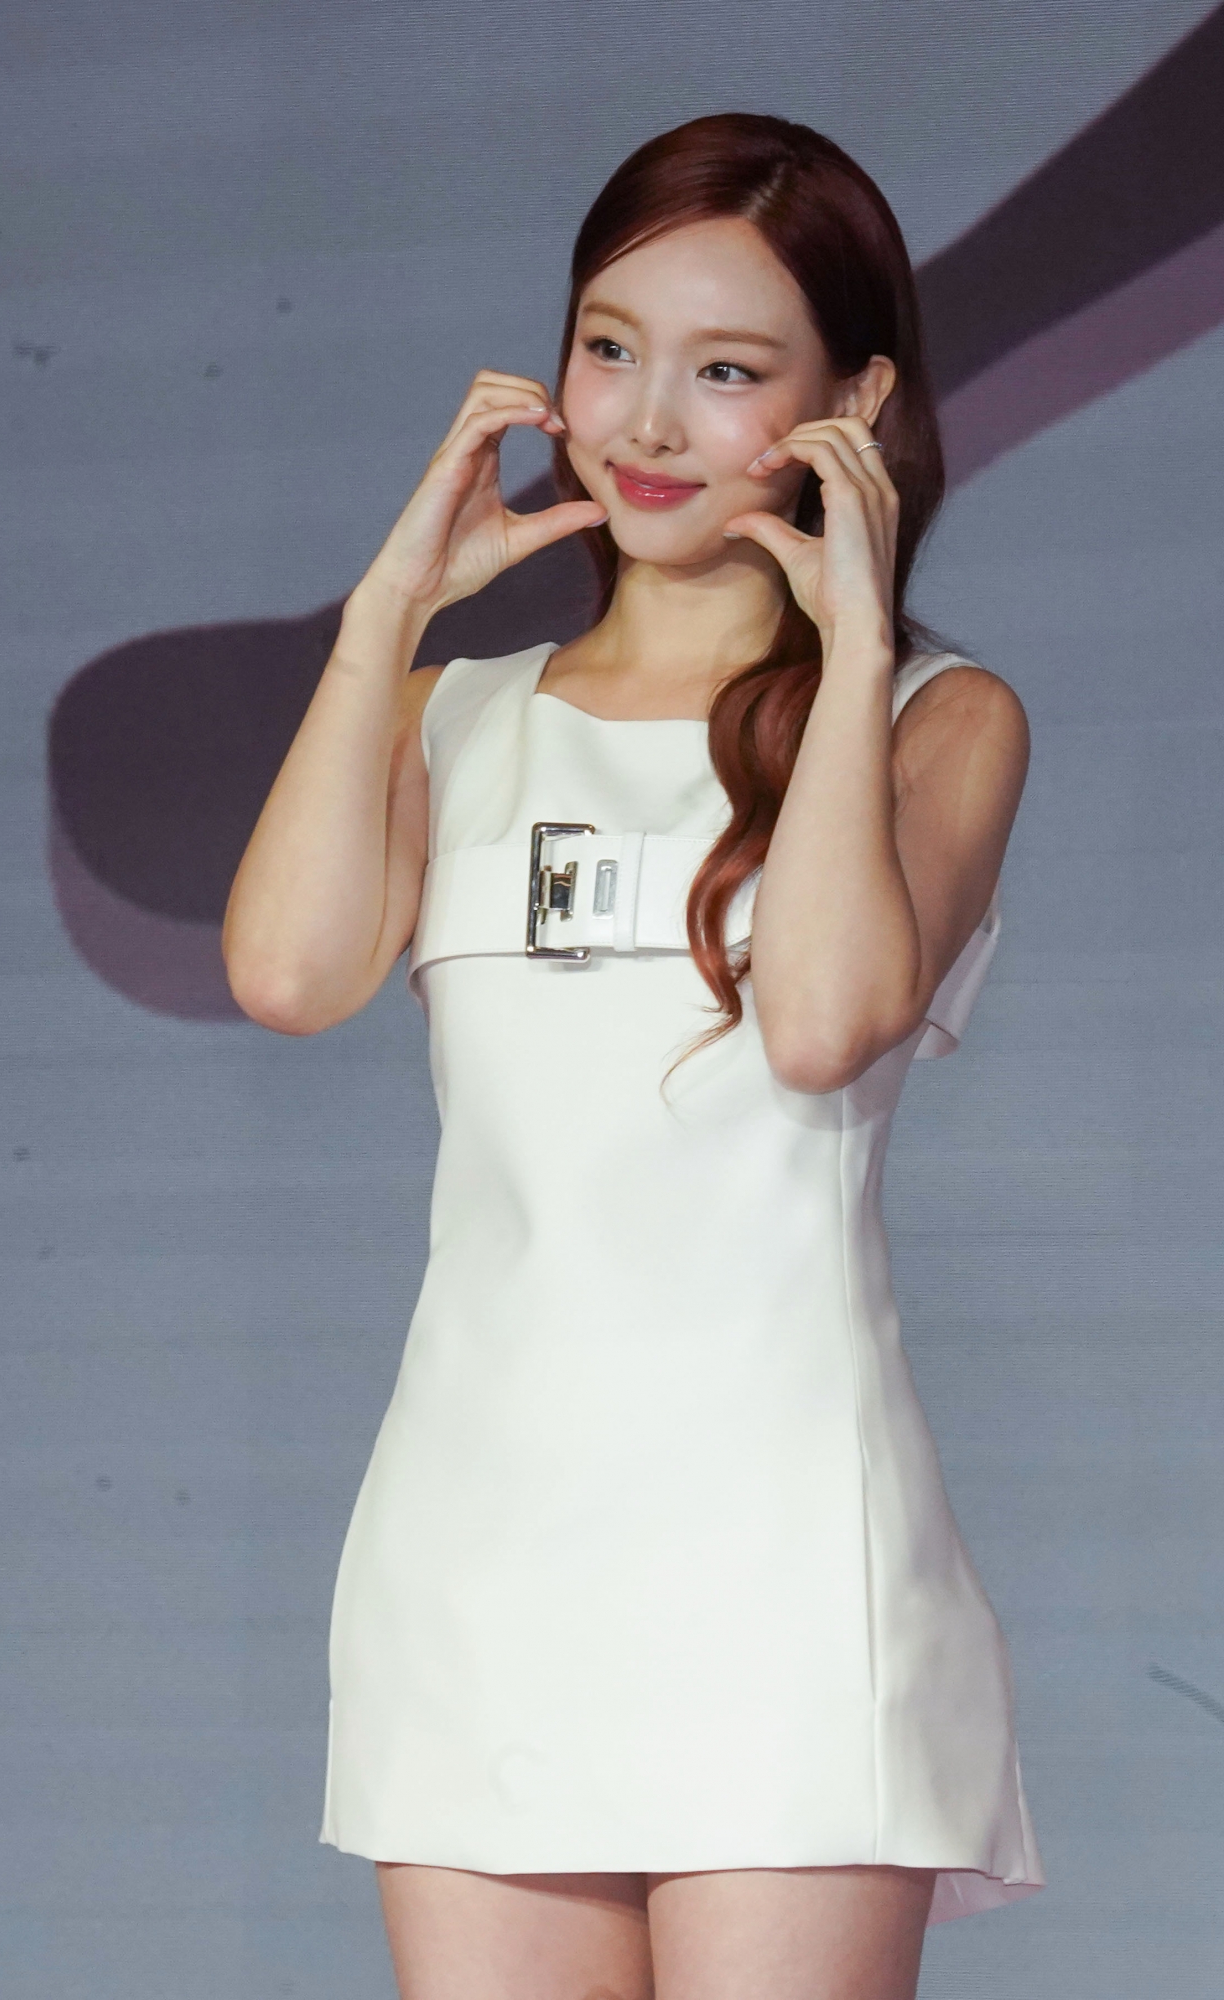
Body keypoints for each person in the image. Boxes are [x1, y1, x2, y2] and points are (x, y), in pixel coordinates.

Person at [223, 112, 1044, 2000]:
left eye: (729, 370)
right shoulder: (451, 712)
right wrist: (384, 619)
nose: (649, 421)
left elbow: (823, 1023)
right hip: (478, 1559)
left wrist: (847, 654)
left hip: (782, 1565)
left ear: (855, 402)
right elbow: (286, 973)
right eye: (610, 348)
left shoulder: (938, 721)